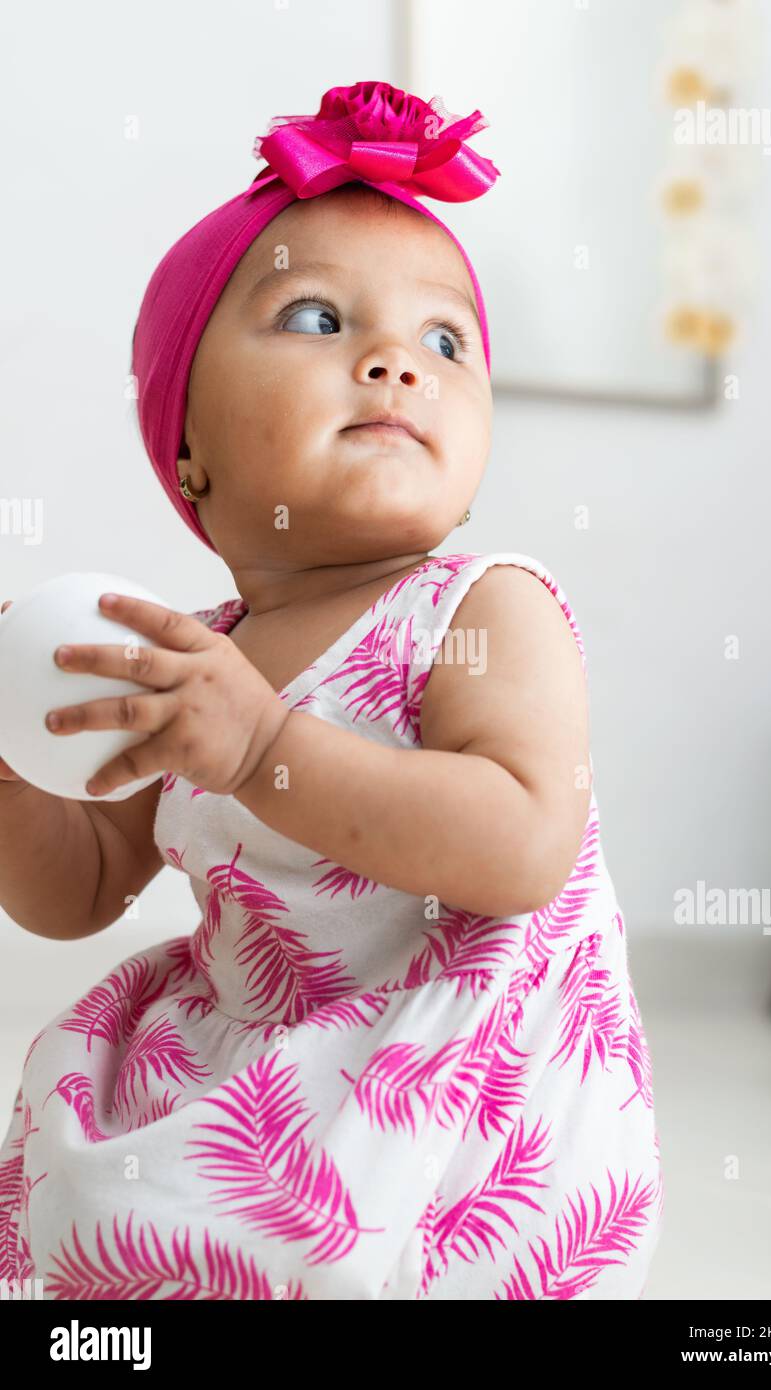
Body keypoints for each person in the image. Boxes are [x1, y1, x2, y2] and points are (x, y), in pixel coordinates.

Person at [0, 80, 663, 1299]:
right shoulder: (194, 655)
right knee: (94, 1160)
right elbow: (79, 885)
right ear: (184, 445)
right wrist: (11, 776)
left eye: (445, 341)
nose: (393, 364)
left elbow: (519, 841)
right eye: (315, 316)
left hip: (462, 1110)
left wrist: (262, 753)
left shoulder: (481, 608)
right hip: (268, 1061)